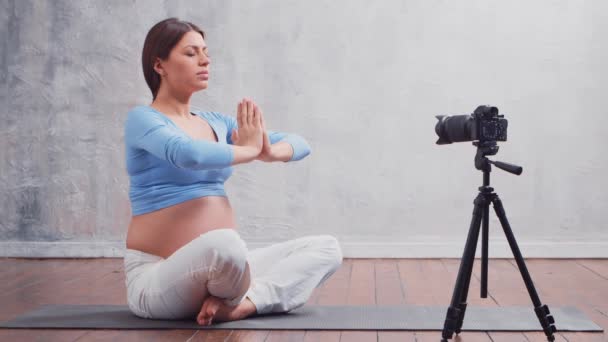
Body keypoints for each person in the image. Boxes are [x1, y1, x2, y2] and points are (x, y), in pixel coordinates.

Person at [123, 17, 343, 326]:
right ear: (159, 65)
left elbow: (300, 143)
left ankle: (245, 305)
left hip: (226, 269)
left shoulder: (216, 122)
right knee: (224, 244)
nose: (205, 60)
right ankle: (242, 294)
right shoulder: (143, 119)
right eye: (191, 53)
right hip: (158, 278)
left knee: (326, 248)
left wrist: (268, 151)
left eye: (205, 52)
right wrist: (249, 151)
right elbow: (188, 154)